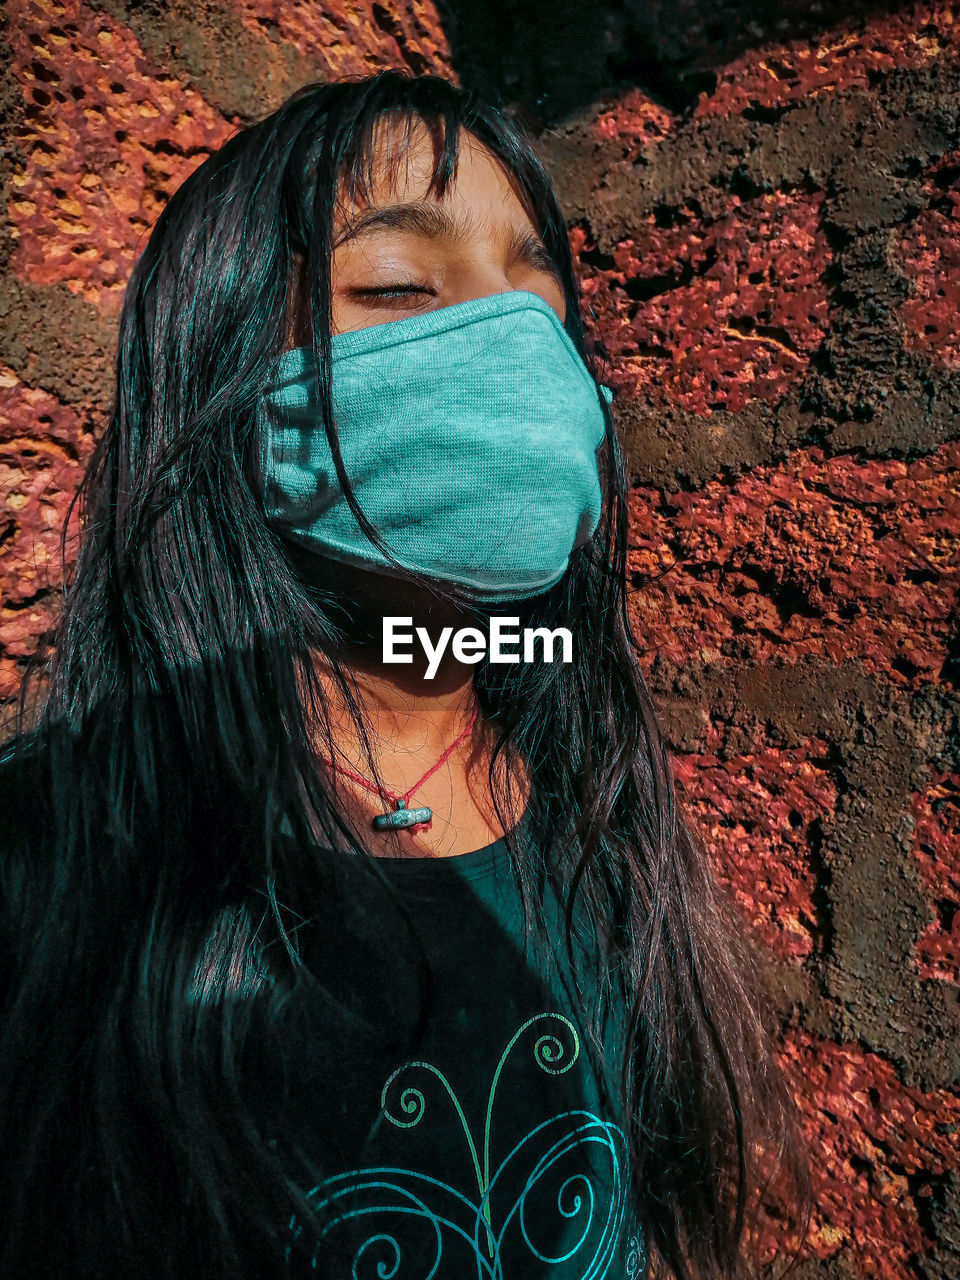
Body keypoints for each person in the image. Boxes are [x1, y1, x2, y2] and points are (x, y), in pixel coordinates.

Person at [0, 70, 812, 1280]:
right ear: (215, 362)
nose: (516, 346)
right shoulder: (46, 864)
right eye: (395, 285)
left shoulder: (609, 825)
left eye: (542, 299)